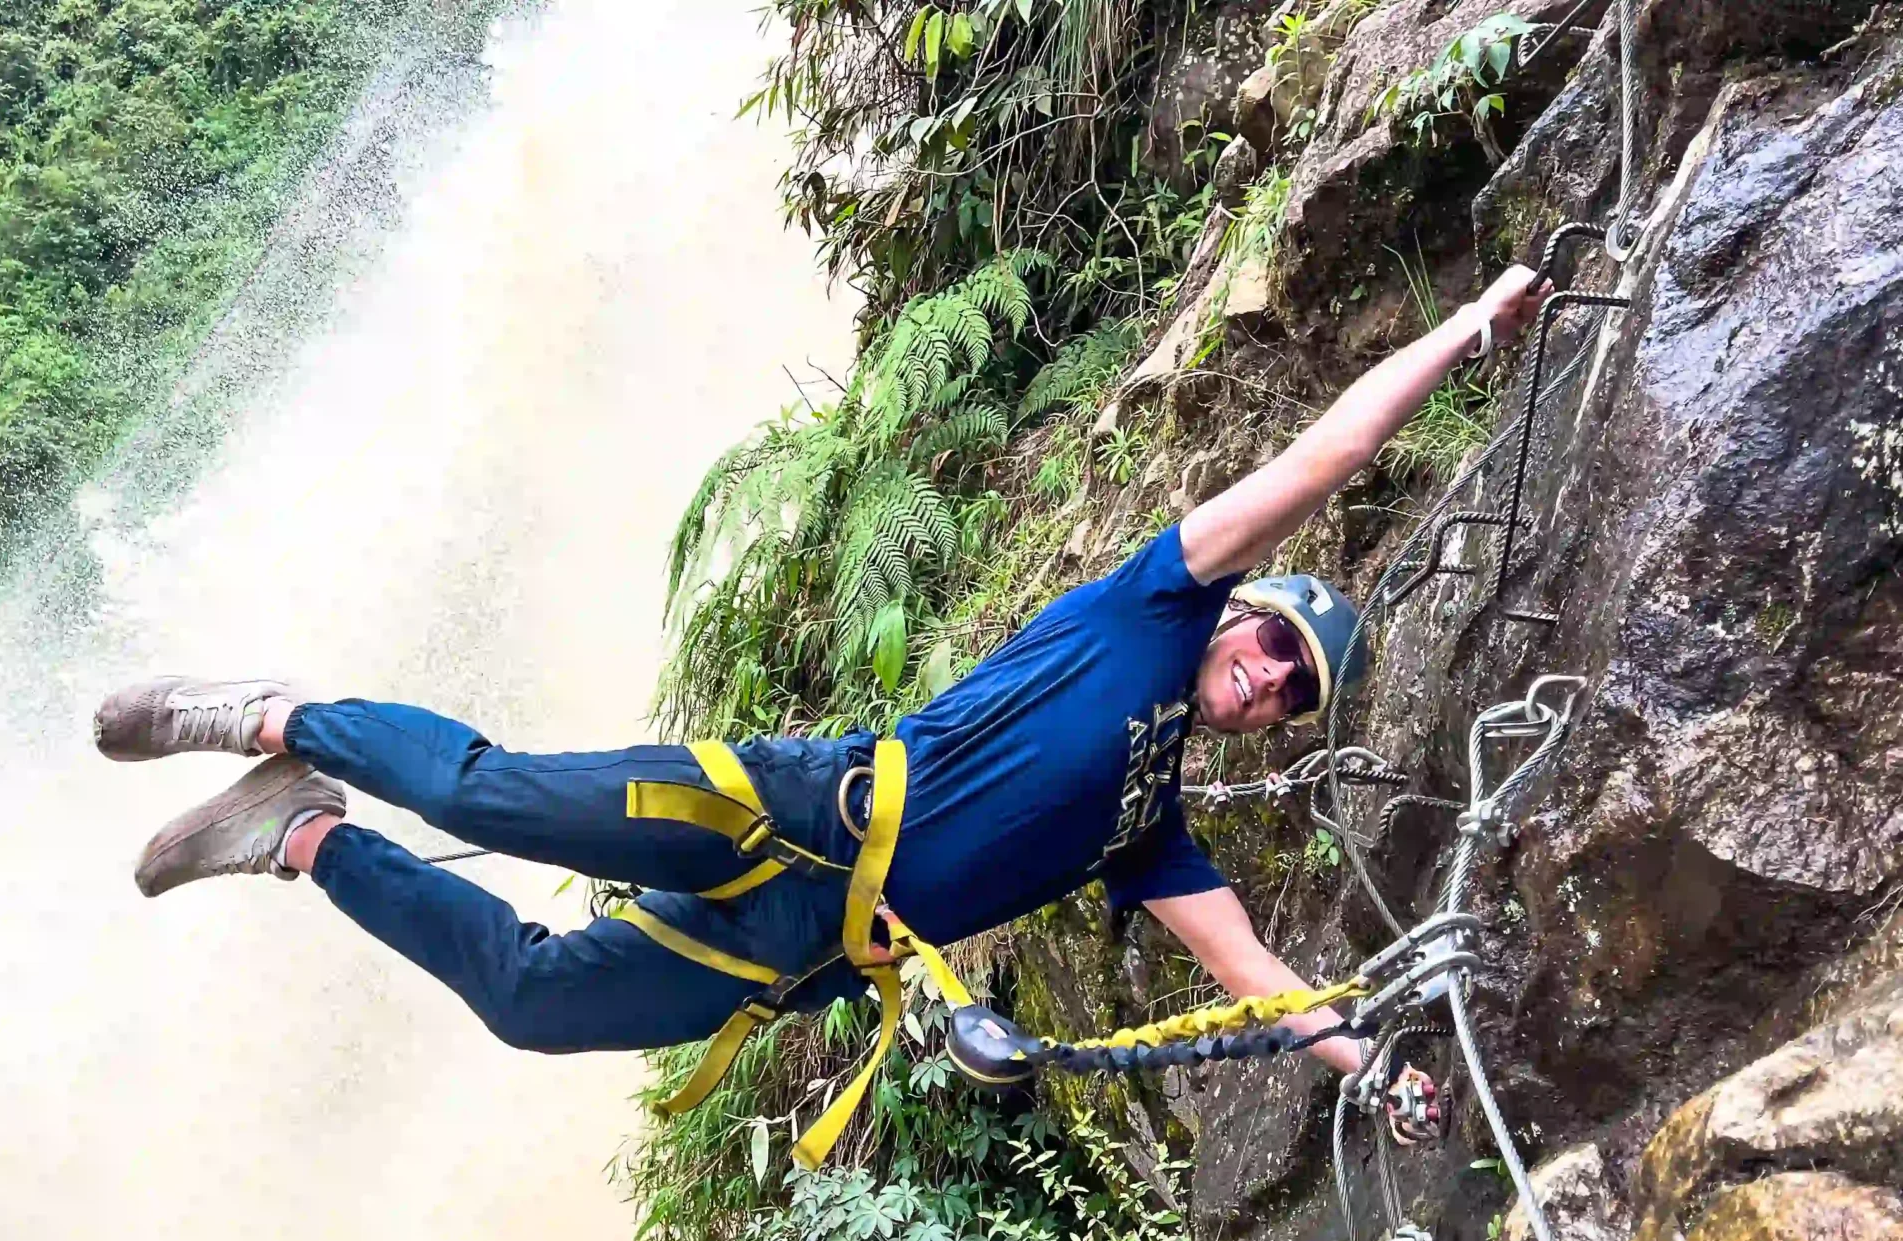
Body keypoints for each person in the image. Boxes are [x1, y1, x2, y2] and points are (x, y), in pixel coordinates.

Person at [96, 265, 1548, 1151]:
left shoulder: (1149, 828)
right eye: (1283, 642)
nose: (1276, 678)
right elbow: (1326, 454)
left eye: (1296, 693)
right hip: (787, 803)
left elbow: (1258, 976)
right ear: (1244, 611)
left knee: (532, 1004)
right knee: (488, 792)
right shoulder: (1152, 602)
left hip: (806, 942)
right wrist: (1476, 327)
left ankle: (299, 839)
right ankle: (280, 716)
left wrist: (1368, 1069)